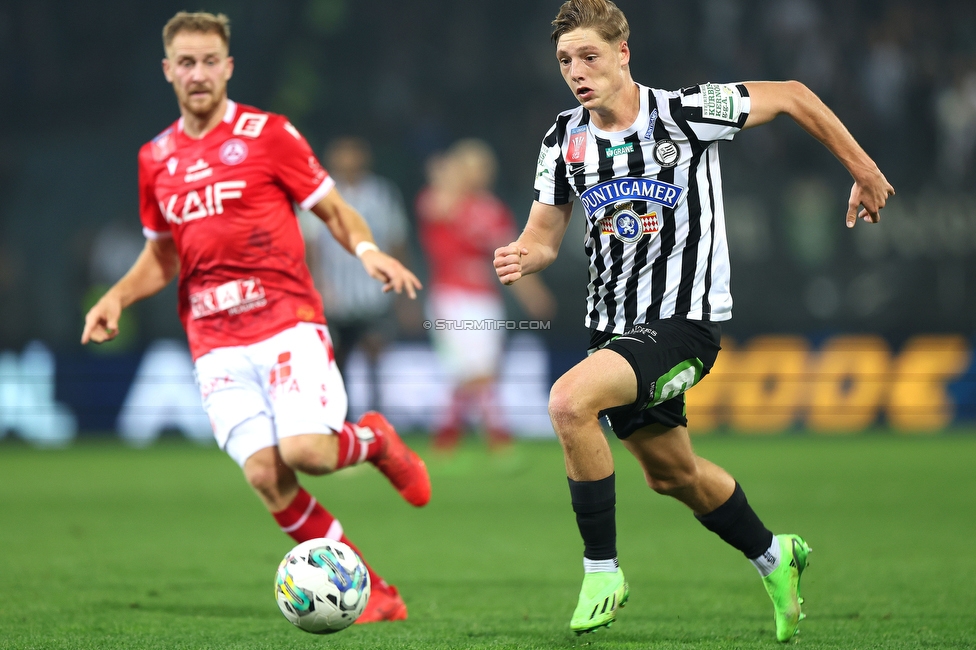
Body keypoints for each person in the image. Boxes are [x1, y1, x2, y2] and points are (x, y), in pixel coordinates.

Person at [493, 0, 893, 640]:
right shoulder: (562, 139)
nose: (577, 70)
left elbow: (791, 95)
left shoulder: (683, 113)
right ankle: (775, 555)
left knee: (569, 402)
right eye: (567, 60)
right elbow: (544, 235)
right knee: (670, 474)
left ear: (624, 54)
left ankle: (602, 570)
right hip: (614, 332)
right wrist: (525, 257)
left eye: (590, 56)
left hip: (684, 325)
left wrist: (863, 168)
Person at [81, 12, 429, 624]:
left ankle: (373, 439)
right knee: (268, 478)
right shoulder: (155, 158)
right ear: (168, 71)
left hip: (284, 321)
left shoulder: (269, 134)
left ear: (228, 67)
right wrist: (116, 297)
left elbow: (333, 209)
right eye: (185, 63)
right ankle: (372, 589)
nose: (198, 73)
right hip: (213, 342)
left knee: (307, 453)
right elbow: (163, 256)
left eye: (209, 61)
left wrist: (370, 253)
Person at [417, 139, 555, 451]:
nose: (480, 174)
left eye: (484, 168)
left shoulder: (492, 210)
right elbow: (436, 208)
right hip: (450, 297)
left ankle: (446, 439)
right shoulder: (441, 200)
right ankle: (497, 437)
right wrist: (447, 176)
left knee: (480, 371)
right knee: (475, 372)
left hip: (484, 298)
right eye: (473, 167)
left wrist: (533, 294)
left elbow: (511, 256)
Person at [302, 136, 410, 416]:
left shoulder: (382, 194)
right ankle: (344, 417)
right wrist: (316, 285)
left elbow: (397, 239)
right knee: (339, 358)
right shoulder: (321, 194)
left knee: (374, 351)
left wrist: (399, 280)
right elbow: (310, 246)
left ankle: (377, 415)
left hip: (374, 292)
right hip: (336, 295)